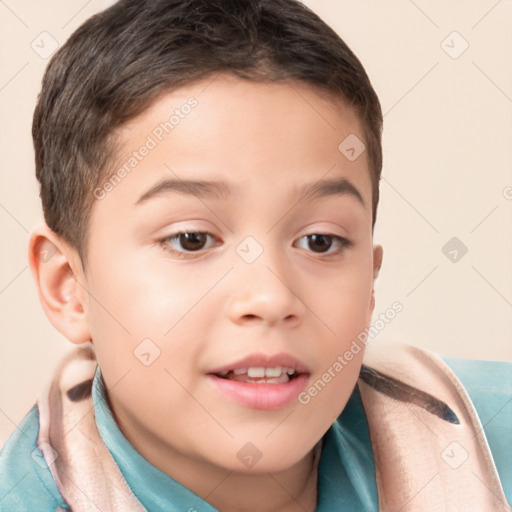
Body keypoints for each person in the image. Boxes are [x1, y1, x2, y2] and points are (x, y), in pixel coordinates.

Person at [0, 0, 510, 510]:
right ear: (68, 286)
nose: (270, 296)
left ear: (371, 281)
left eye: (320, 241)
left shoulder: (490, 441)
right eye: (191, 239)